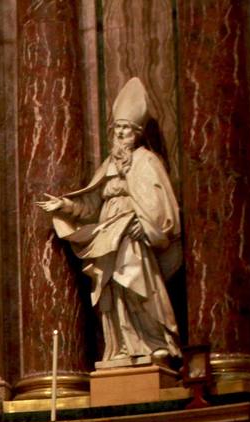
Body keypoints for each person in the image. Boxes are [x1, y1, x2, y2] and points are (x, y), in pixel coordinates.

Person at [38, 76, 184, 367]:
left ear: (137, 134)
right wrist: (65, 205)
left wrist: (149, 225)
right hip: (109, 234)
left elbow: (163, 204)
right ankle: (122, 346)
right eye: (117, 129)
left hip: (133, 234)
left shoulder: (147, 162)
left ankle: (153, 342)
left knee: (136, 284)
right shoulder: (109, 165)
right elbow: (92, 202)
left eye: (126, 130)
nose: (121, 135)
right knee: (112, 291)